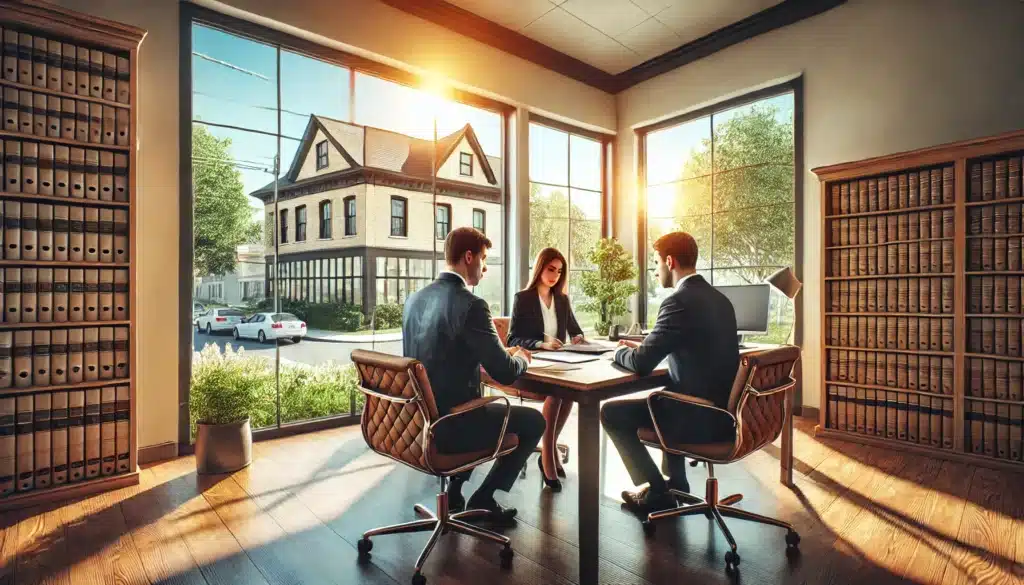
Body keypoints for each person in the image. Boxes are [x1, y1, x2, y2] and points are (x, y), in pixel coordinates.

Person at [402, 227, 544, 523]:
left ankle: (455, 491)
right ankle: (485, 496)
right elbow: (504, 372)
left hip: (415, 425)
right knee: (533, 421)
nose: (485, 266)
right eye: (483, 258)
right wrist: (521, 357)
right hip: (452, 428)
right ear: (469, 257)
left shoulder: (413, 300)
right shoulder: (472, 305)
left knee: (470, 402)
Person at [600, 231, 740, 515]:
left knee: (611, 413)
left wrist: (617, 352)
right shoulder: (720, 299)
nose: (655, 271)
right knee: (666, 397)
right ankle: (677, 483)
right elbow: (687, 343)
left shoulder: (678, 301)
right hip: (726, 416)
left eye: (655, 263)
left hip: (699, 419)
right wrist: (644, 346)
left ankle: (658, 490)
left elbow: (641, 364)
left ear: (669, 261)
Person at [507, 248, 585, 491]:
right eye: (551, 269)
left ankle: (548, 449)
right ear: (540, 267)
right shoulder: (524, 298)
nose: (554, 275)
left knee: (569, 392)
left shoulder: (562, 300)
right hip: (534, 363)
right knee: (558, 391)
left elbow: (575, 329)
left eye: (559, 271)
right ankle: (548, 457)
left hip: (560, 362)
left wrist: (579, 338)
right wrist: (541, 344)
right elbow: (512, 339)